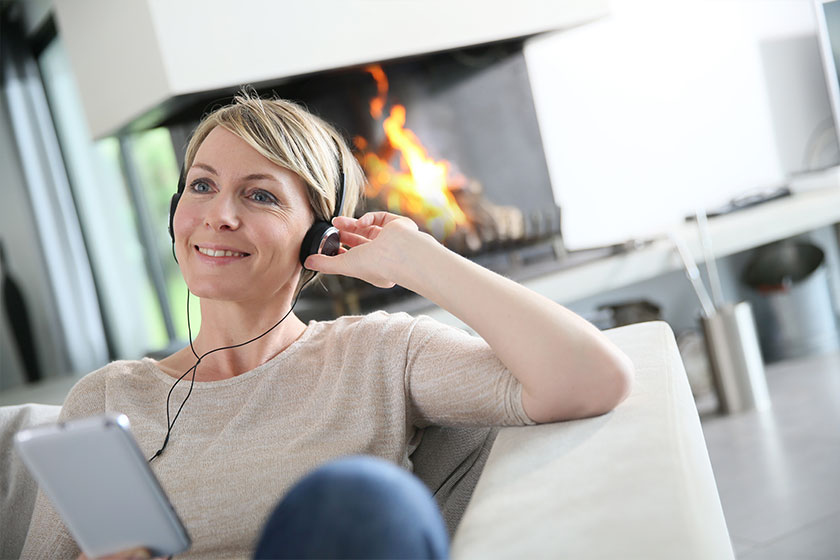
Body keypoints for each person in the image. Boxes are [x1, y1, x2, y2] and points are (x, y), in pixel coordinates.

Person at [21, 91, 634, 560]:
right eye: (201, 186)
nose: (219, 215)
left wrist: (419, 261)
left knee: (361, 499)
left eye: (260, 196)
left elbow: (590, 377)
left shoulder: (379, 353)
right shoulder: (107, 399)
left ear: (321, 235)